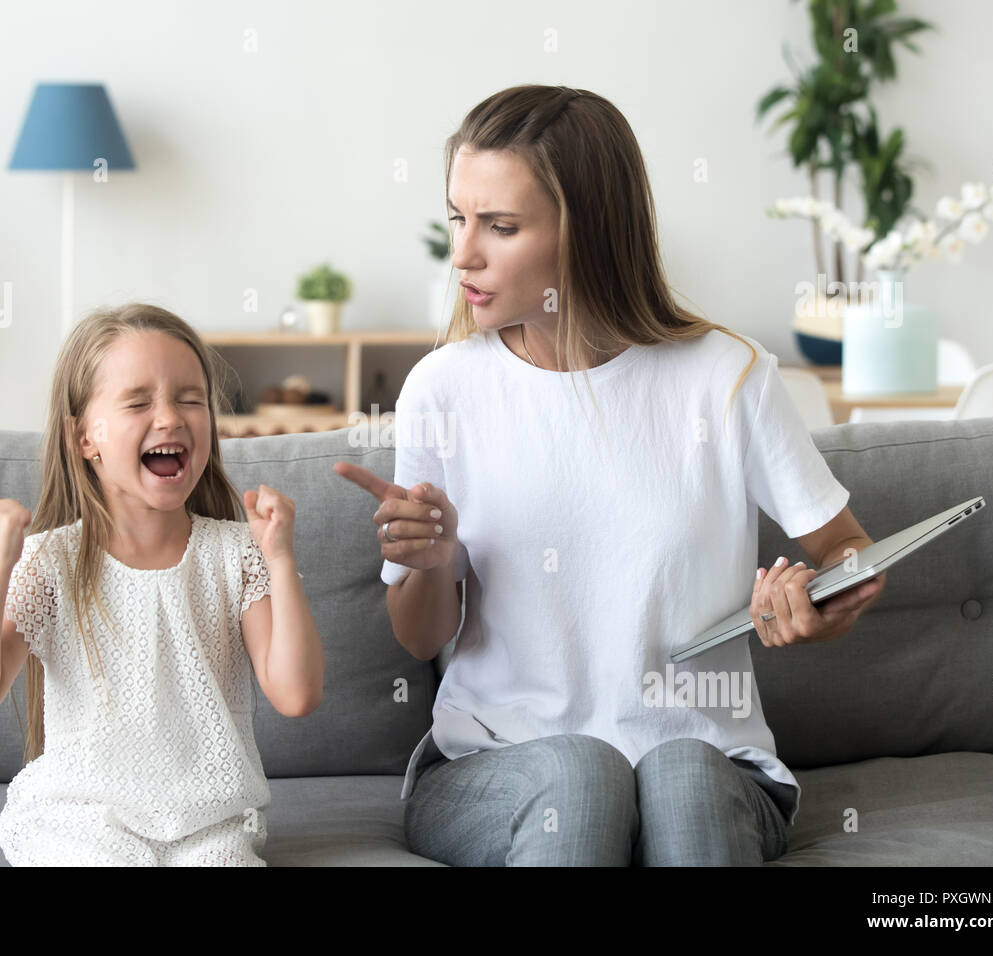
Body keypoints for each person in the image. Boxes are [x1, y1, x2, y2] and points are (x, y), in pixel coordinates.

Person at [336, 85, 886, 866]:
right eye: (457, 218)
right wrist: (427, 565)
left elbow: (851, 554)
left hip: (707, 760)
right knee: (581, 772)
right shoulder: (442, 388)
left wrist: (817, 603)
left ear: (586, 231)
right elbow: (418, 635)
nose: (463, 253)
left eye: (500, 226)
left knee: (681, 776)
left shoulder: (727, 377)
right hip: (494, 767)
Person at [0, 303, 323, 866]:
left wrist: (281, 560)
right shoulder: (52, 562)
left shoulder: (236, 553)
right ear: (84, 438)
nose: (170, 417)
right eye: (139, 401)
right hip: (80, 820)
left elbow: (296, 694)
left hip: (209, 825)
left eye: (190, 398)